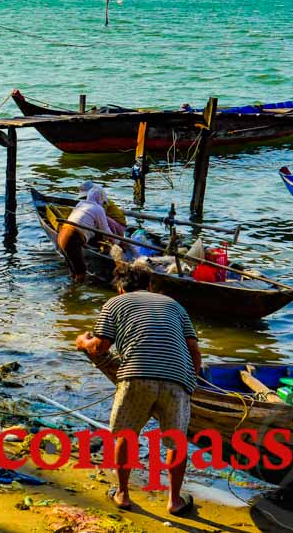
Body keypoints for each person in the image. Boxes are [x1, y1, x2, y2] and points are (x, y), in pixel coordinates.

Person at [74, 263, 203, 516]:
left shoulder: (114, 303)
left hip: (136, 376)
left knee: (126, 435)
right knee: (176, 442)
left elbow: (100, 347)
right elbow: (194, 352)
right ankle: (175, 501)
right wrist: (190, 382)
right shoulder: (175, 306)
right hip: (177, 379)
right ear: (151, 286)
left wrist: (83, 341)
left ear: (121, 288)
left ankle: (122, 494)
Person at [57, 186, 110, 282]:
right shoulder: (98, 209)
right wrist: (118, 242)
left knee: (73, 271)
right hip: (71, 238)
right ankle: (75, 294)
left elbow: (79, 224)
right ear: (100, 198)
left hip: (62, 235)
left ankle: (69, 292)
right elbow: (105, 231)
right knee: (81, 273)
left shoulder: (81, 204)